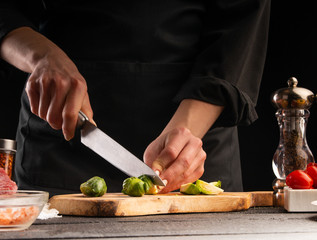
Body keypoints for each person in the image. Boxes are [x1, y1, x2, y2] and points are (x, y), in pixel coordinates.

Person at [0, 0, 270, 196]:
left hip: (193, 149)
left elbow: (242, 18)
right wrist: (42, 56)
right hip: (60, 146)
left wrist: (187, 129)